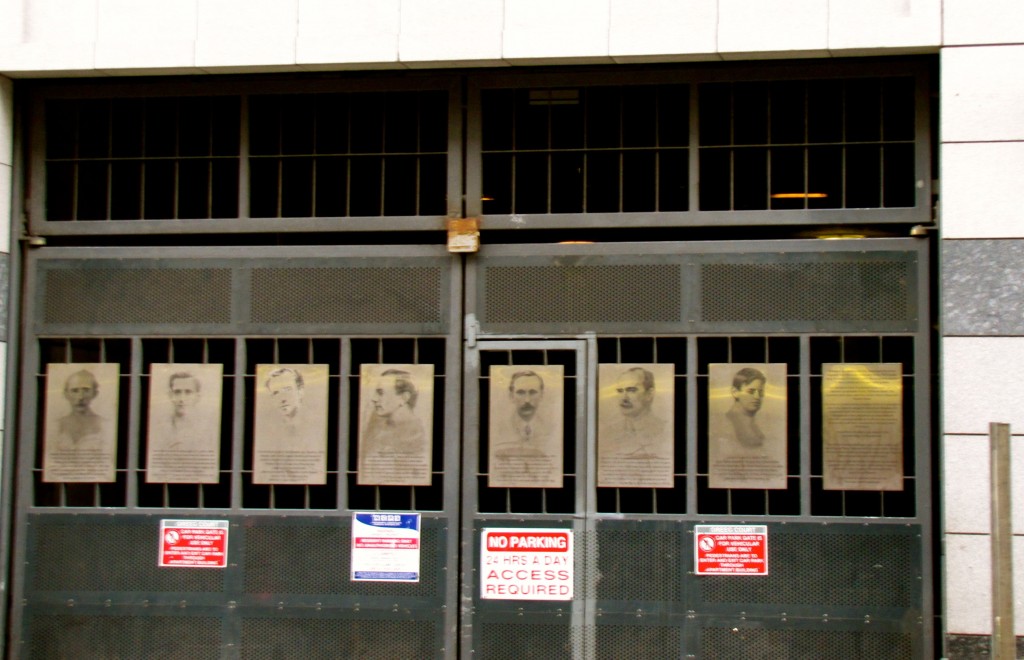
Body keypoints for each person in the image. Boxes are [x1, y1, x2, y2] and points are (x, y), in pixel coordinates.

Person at [600, 366, 666, 458]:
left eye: (631, 390)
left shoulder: (665, 431)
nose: (624, 398)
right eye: (620, 391)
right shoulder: (608, 433)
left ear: (649, 394)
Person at [361, 369, 426, 455]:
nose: (374, 399)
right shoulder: (381, 431)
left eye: (380, 393)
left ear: (404, 398)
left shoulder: (418, 435)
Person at [493, 370, 552, 457]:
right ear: (511, 396)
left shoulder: (551, 429)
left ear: (541, 395)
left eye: (533, 392)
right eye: (520, 392)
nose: (527, 400)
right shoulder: (497, 429)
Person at [53, 369, 108, 450]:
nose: (80, 397)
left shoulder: (106, 425)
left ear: (95, 393)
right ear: (66, 394)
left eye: (86, 390)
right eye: (75, 391)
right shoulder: (54, 426)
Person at [726, 367, 767, 448]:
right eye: (751, 391)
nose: (757, 397)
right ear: (735, 392)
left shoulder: (754, 426)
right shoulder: (726, 426)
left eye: (760, 392)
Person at [264, 367, 305, 436]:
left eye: (287, 390)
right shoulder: (270, 433)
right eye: (275, 393)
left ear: (300, 391)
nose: (282, 399)